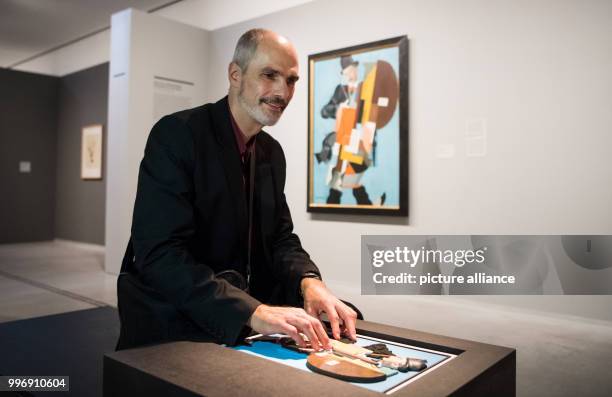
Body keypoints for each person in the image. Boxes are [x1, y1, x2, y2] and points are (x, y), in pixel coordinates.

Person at [115, 28, 357, 351]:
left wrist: (309, 281)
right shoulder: (177, 135)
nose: (282, 92)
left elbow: (281, 239)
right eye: (269, 75)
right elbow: (159, 255)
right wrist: (252, 311)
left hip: (235, 312)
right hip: (176, 318)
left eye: (291, 80)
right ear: (235, 75)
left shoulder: (272, 152)